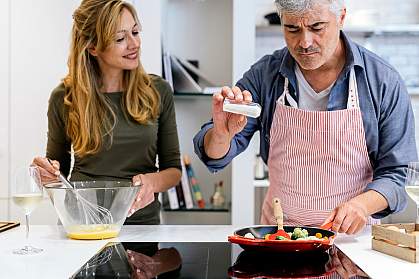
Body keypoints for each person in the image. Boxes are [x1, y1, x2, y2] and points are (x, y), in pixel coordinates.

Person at [193, 0, 418, 234]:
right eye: (292, 29)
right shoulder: (265, 75)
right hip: (281, 238)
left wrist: (362, 205)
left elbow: (398, 174)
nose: (304, 42)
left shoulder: (382, 80)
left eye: (317, 27)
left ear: (341, 18)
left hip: (353, 242)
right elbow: (214, 155)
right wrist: (221, 135)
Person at [32, 0, 181, 225]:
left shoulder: (158, 91)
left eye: (135, 32)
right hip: (81, 224)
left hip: (141, 226)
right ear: (93, 47)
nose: (134, 44)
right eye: (120, 38)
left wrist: (152, 182)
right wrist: (46, 174)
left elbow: (174, 170)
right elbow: (57, 172)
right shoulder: (64, 97)